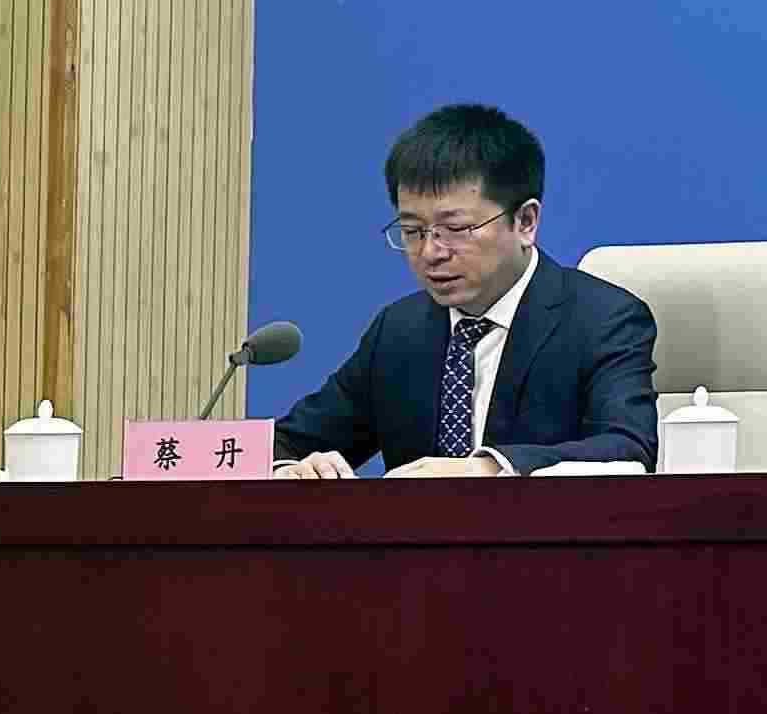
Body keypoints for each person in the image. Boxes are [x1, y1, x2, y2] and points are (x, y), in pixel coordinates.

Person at [275, 104, 661, 476]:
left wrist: (486, 468)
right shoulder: (398, 331)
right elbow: (285, 443)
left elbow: (627, 447)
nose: (431, 252)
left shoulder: (602, 320)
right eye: (412, 231)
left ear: (526, 222)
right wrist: (291, 469)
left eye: (456, 230)